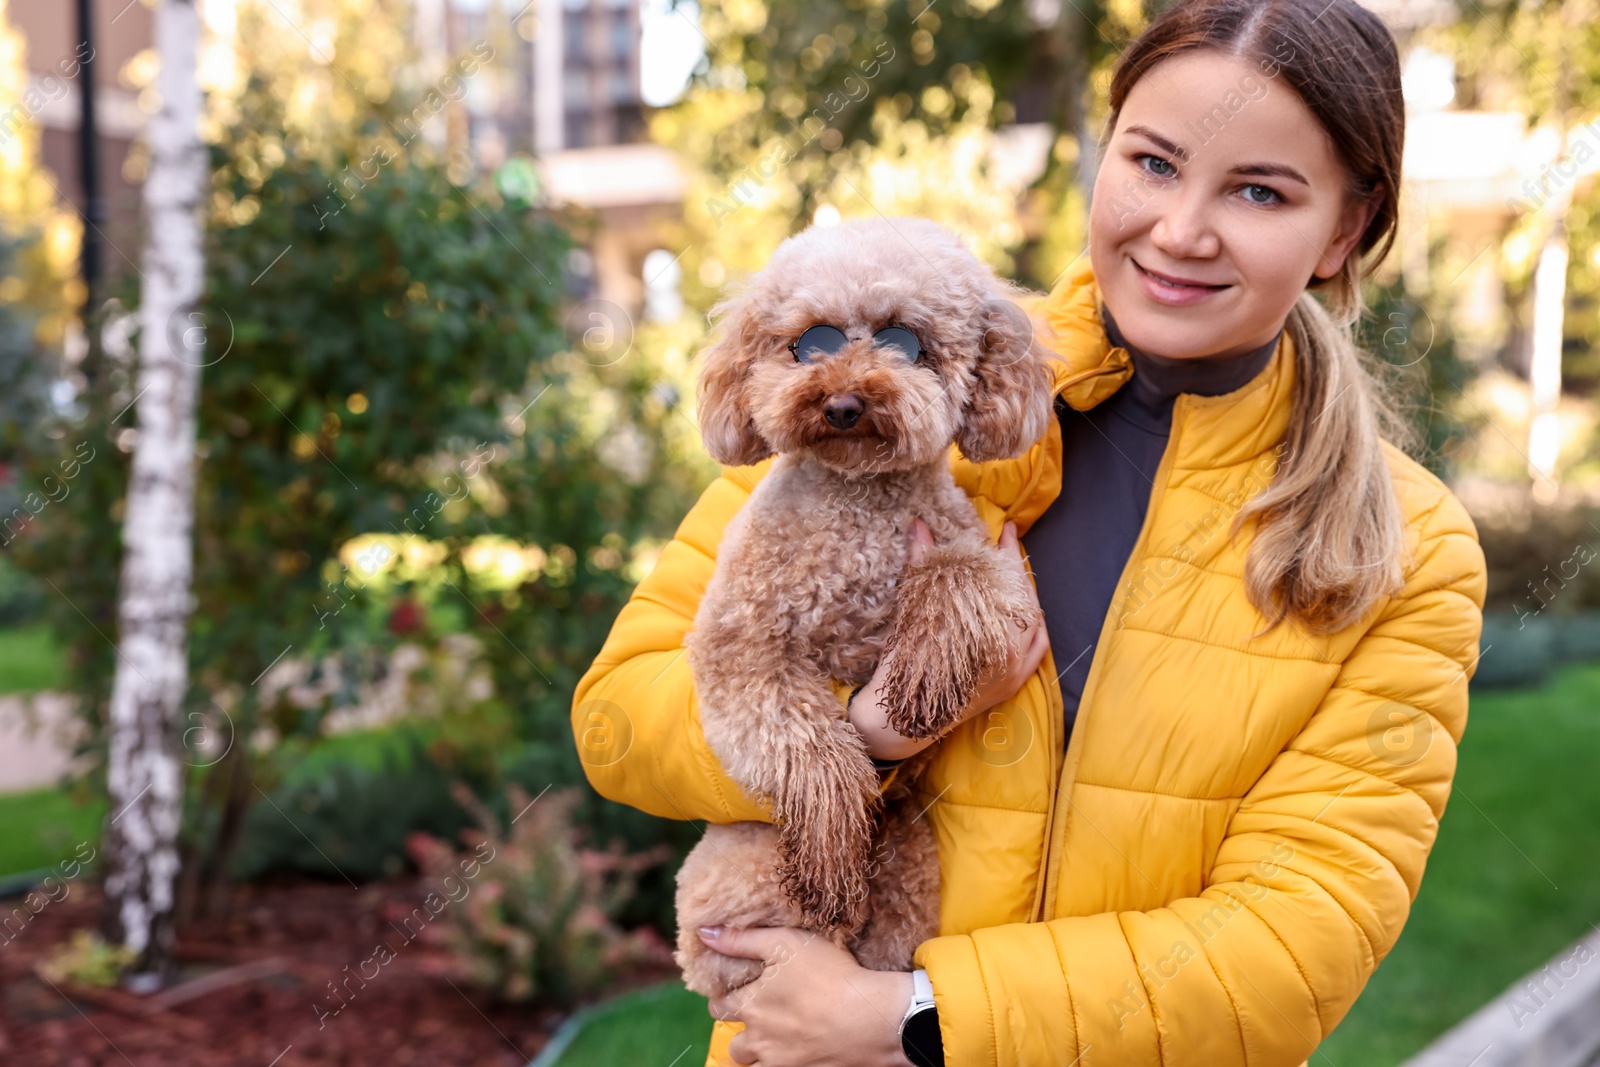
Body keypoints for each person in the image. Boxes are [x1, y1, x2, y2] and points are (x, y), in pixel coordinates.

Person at [569, 0, 1488, 1063]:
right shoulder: (904, 393)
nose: (1181, 230)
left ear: (1344, 229)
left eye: (1257, 191)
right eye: (1151, 163)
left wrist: (913, 1015)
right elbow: (621, 715)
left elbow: (1291, 946)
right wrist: (869, 732)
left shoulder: (1404, 546)